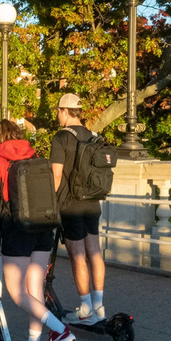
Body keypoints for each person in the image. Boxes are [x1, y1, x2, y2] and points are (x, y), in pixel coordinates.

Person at [0, 120, 75, 341]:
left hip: (17, 228)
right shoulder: (35, 156)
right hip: (43, 228)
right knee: (35, 292)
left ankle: (59, 329)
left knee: (18, 293)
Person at [49, 93, 107, 325]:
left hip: (70, 203)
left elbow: (55, 174)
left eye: (58, 111)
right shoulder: (94, 136)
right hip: (92, 201)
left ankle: (84, 308)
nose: (57, 115)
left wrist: (50, 204)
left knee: (77, 255)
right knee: (94, 251)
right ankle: (99, 306)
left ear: (65, 111)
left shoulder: (61, 137)